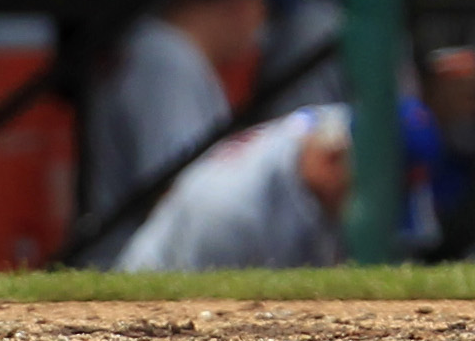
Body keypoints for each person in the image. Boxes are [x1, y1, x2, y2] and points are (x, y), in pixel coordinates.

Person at [77, 0, 279, 263]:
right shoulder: (165, 62)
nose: (261, 26)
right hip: (132, 271)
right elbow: (177, 192)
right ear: (240, 1)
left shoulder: (170, 55)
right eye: (263, 7)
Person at [112, 103, 357, 271]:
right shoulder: (231, 208)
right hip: (150, 300)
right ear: (331, 160)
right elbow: (201, 313)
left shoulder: (331, 124)